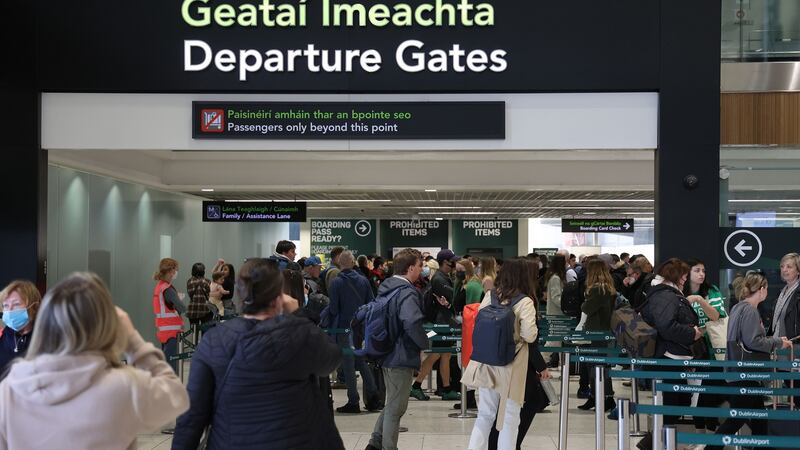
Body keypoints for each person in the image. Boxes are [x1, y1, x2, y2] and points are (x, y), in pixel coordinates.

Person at [0, 272, 189, 449]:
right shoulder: (122, 386)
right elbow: (177, 397)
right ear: (106, 324)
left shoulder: (10, 388)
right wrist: (133, 341)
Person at [172, 258, 344, 450]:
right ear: (279, 294)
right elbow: (332, 358)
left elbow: (192, 416)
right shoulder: (298, 332)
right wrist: (297, 314)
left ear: (239, 293)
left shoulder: (215, 340)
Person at [705, 271, 793, 450]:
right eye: (766, 288)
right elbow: (753, 341)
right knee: (736, 420)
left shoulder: (738, 307)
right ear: (761, 289)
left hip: (739, 372)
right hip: (746, 373)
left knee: (759, 418)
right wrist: (778, 342)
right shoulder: (751, 311)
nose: (767, 291)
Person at [462, 258, 538, 450]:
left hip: (487, 360)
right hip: (511, 364)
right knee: (510, 417)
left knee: (485, 414)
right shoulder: (525, 301)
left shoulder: (490, 295)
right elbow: (529, 335)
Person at [366, 249, 429, 450]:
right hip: (401, 355)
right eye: (420, 266)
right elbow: (411, 321)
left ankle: (375, 443)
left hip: (386, 352)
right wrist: (423, 344)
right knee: (397, 408)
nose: (422, 269)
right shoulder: (407, 292)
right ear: (411, 268)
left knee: (392, 403)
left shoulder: (386, 287)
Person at [637, 258, 702, 450]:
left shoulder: (665, 293)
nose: (686, 278)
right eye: (683, 275)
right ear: (675, 276)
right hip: (669, 357)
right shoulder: (666, 296)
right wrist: (693, 333)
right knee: (672, 405)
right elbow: (666, 327)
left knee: (676, 403)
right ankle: (650, 444)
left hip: (673, 356)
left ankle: (655, 443)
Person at [488, 258, 549, 450]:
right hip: (519, 361)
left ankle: (504, 444)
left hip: (493, 358)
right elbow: (529, 338)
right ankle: (509, 445)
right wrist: (541, 366)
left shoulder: (494, 296)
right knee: (524, 405)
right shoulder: (524, 300)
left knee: (499, 411)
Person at [328, 251, 380, 413]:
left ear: (340, 264)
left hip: (344, 328)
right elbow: (371, 303)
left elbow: (334, 308)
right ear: (352, 263)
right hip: (361, 328)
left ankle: (353, 401)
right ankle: (373, 399)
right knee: (361, 361)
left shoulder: (336, 283)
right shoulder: (364, 281)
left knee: (349, 364)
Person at [682, 257, 727, 435]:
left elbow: (716, 316)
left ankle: (707, 435)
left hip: (711, 351)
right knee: (693, 395)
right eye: (697, 270)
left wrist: (700, 300)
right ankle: (700, 436)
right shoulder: (678, 291)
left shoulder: (711, 291)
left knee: (707, 394)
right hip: (688, 351)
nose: (701, 274)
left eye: (703, 271)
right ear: (687, 274)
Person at [409, 249, 461, 402]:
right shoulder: (439, 279)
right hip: (441, 323)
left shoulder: (444, 277)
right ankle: (416, 386)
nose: (455, 264)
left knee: (444, 355)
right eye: (452, 261)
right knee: (435, 355)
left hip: (446, 322)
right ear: (445, 262)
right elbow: (454, 297)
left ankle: (446, 388)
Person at [575, 259, 617, 412]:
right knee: (595, 366)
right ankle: (597, 397)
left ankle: (606, 398)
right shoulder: (608, 288)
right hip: (601, 332)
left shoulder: (598, 289)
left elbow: (586, 307)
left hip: (596, 332)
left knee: (596, 366)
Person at [152, 258, 186, 374]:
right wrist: (179, 300)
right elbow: (182, 307)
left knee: (166, 364)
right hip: (172, 332)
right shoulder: (168, 289)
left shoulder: (160, 286)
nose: (177, 272)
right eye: (176, 269)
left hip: (163, 331)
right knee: (171, 368)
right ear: (171, 271)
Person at [0, 281, 41, 376]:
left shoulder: (47, 339)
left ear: (34, 307)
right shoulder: (1, 336)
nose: (9, 310)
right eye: (6, 305)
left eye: (16, 304)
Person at [772, 253, 800, 342]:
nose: (784, 270)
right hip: (779, 344)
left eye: (789, 267)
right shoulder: (781, 293)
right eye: (782, 266)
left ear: (798, 271)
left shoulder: (798, 293)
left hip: (794, 346)